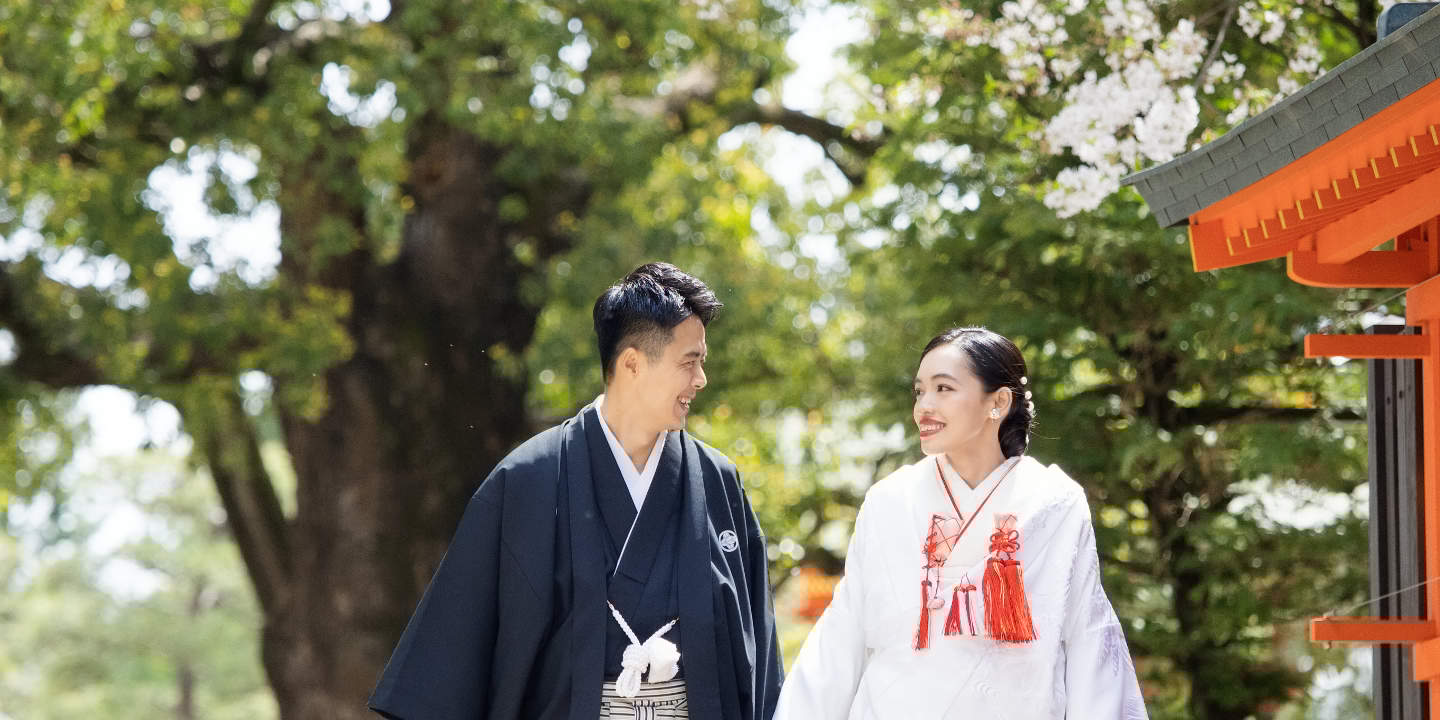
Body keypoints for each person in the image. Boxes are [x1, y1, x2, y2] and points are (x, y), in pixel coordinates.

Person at [369, 262, 783, 720]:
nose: (701, 379)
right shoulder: (527, 482)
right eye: (689, 362)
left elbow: (761, 663)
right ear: (632, 364)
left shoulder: (718, 483)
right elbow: (451, 656)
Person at [773, 327, 1147, 719]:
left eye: (943, 388)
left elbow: (1090, 641)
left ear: (998, 402)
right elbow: (841, 635)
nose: (924, 406)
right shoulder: (889, 500)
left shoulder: (1053, 502)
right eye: (919, 391)